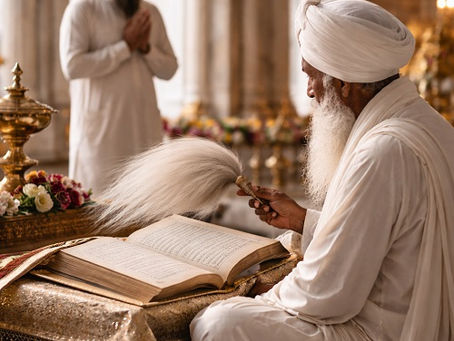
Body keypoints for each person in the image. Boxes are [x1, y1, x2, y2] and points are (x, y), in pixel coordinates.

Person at [190, 1, 454, 340]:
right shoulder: (429, 124)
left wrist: (257, 292)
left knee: (220, 322)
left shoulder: (382, 152)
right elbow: (379, 236)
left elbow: (330, 295)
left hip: (382, 329)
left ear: (344, 83)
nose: (309, 91)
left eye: (311, 76)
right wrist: (304, 220)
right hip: (401, 312)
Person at [59, 0, 178, 196]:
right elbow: (72, 66)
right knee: (98, 204)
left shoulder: (150, 12)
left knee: (146, 202)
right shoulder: (83, 8)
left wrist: (146, 48)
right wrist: (125, 46)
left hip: (143, 128)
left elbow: (169, 69)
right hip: (101, 135)